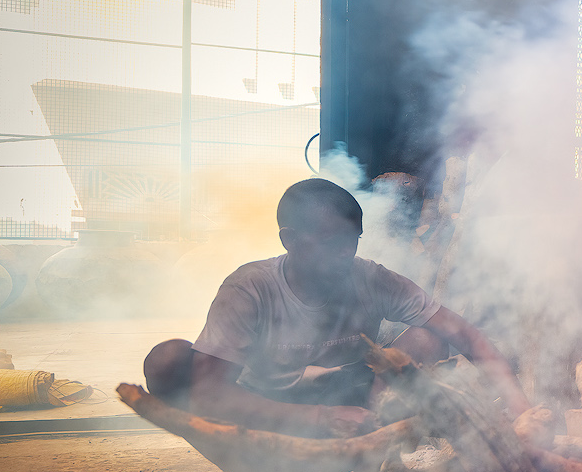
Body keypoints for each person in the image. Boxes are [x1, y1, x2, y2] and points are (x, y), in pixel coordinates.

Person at [144, 177, 526, 441]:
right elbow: (212, 394)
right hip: (268, 407)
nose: (347, 253)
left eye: (353, 240)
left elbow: (464, 334)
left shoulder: (371, 278)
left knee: (428, 337)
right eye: (332, 242)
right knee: (166, 362)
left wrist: (519, 405)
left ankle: (376, 437)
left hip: (354, 397)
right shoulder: (249, 288)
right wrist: (320, 418)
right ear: (290, 240)